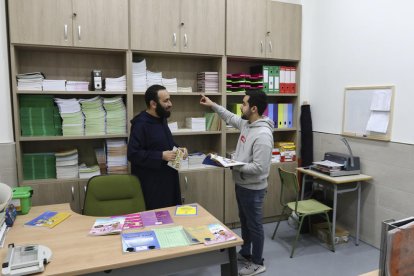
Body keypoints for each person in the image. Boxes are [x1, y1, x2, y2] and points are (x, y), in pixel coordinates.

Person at [200, 90, 273, 276]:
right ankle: (246, 253)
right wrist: (212, 105)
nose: (242, 106)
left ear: (254, 109)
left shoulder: (263, 135)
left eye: (245, 103)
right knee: (245, 222)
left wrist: (234, 166)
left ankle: (258, 262)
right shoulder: (248, 124)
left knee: (255, 225)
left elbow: (260, 169)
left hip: (253, 189)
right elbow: (230, 117)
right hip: (242, 185)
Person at [127, 84, 187, 210]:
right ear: (153, 104)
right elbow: (133, 154)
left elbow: (164, 143)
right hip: (152, 185)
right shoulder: (140, 124)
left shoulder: (162, 118)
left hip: (169, 179)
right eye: (166, 101)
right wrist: (160, 156)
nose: (170, 104)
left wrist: (179, 149)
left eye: (169, 99)